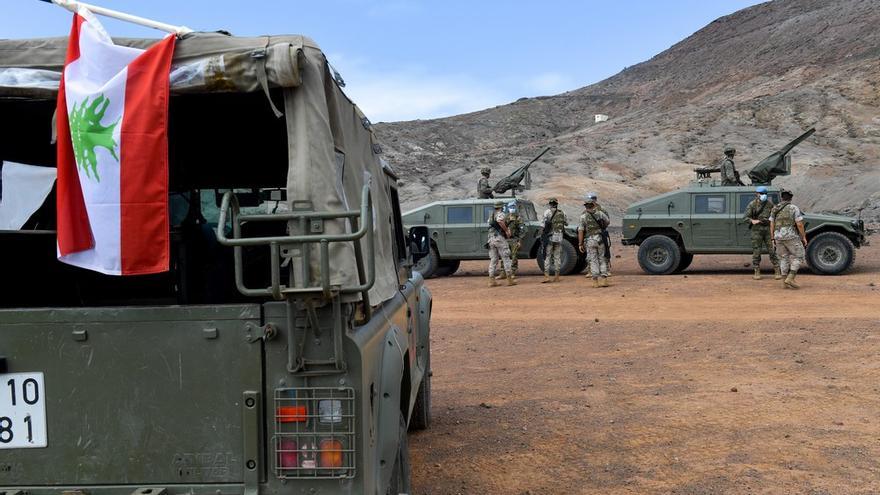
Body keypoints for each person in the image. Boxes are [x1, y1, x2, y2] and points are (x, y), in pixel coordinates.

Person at [769, 189, 808, 289]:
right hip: (791, 237)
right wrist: (803, 237)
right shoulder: (793, 208)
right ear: (791, 198)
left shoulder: (775, 208)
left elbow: (772, 224)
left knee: (783, 258)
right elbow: (799, 224)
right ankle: (790, 278)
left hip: (778, 237)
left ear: (781, 197)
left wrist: (772, 238)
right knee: (799, 256)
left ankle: (784, 282)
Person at [743, 185, 781, 280]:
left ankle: (777, 270)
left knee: (772, 250)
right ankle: (757, 270)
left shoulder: (770, 205)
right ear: (757, 194)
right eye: (761, 194)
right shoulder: (752, 204)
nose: (763, 195)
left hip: (768, 230)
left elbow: (775, 216)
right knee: (757, 251)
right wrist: (752, 221)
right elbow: (745, 217)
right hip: (757, 230)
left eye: (764, 194)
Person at [578, 195, 611, 287]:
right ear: (593, 205)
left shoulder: (583, 216)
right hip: (600, 239)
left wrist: (580, 243)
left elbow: (581, 230)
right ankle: (604, 280)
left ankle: (595, 282)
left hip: (590, 240)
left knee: (593, 260)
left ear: (586, 206)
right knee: (602, 258)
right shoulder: (600, 213)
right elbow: (607, 222)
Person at [487, 201, 515, 287]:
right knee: (506, 257)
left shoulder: (491, 216)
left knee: (494, 259)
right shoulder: (500, 214)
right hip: (499, 239)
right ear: (501, 207)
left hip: (491, 239)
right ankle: (509, 280)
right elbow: (500, 221)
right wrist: (506, 230)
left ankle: (491, 280)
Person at [586, 191, 612, 277]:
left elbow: (607, 221)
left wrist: (602, 228)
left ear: (595, 199)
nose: (592, 200)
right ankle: (590, 271)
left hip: (601, 234)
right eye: (591, 199)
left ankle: (606, 270)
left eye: (593, 199)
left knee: (604, 253)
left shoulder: (602, 210)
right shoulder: (586, 211)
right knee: (590, 254)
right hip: (590, 234)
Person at [541, 198, 567, 283]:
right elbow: (565, 223)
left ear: (550, 204)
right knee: (557, 257)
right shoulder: (562, 212)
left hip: (549, 237)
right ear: (557, 204)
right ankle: (557, 276)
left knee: (547, 256)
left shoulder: (547, 212)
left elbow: (543, 225)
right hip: (559, 237)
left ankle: (547, 276)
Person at [503, 200, 525, 278]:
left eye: (513, 207)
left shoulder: (518, 218)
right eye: (510, 207)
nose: (512, 208)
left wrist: (519, 240)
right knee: (504, 256)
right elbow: (502, 228)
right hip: (505, 240)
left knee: (514, 256)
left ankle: (513, 272)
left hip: (514, 240)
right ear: (508, 208)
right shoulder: (505, 217)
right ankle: (503, 272)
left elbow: (522, 230)